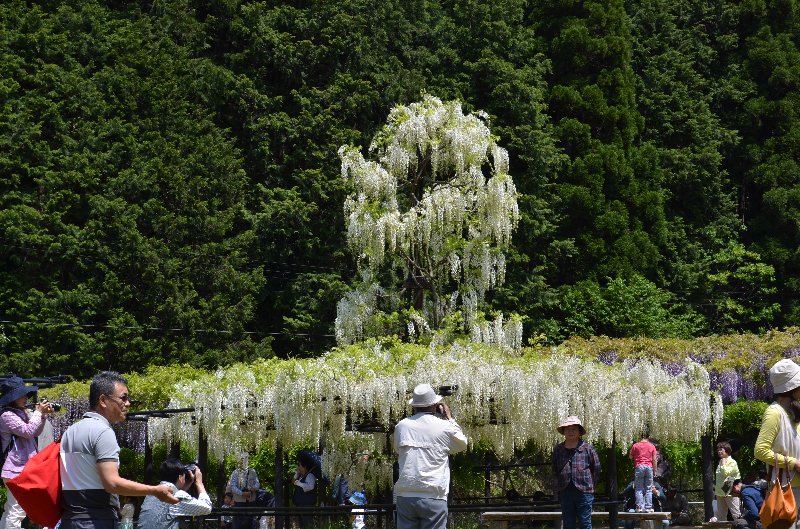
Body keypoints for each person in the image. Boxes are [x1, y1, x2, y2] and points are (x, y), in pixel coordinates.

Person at [59, 371, 178, 529]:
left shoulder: (70, 431)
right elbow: (112, 483)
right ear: (103, 400)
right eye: (123, 398)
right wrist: (155, 490)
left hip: (70, 520)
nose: (128, 403)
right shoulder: (102, 431)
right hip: (96, 521)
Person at [394, 383, 468, 529]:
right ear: (435, 405)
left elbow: (398, 450)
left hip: (405, 495)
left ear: (414, 406)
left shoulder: (401, 426)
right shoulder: (444, 426)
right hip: (433, 495)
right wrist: (449, 418)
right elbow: (462, 444)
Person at [0, 375, 56, 529]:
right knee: (16, 510)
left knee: (14, 509)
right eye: (21, 394)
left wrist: (42, 415)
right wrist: (38, 413)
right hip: (14, 469)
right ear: (12, 397)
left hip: (23, 467)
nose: (25, 397)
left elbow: (36, 432)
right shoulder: (6, 415)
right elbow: (27, 431)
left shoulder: (20, 412)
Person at [755, 359, 800, 529]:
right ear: (792, 388)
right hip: (786, 488)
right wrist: (793, 463)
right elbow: (760, 451)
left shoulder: (793, 411)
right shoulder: (774, 413)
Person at [552, 416, 601, 529]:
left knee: (585, 523)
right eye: (567, 429)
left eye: (574, 429)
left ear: (579, 432)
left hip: (584, 491)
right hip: (565, 490)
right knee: (568, 523)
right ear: (563, 432)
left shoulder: (588, 448)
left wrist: (591, 486)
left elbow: (596, 468)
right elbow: (555, 468)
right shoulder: (558, 449)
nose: (570, 432)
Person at [138, 459, 212, 529]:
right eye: (184, 475)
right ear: (180, 477)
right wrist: (199, 482)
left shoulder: (152, 494)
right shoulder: (178, 495)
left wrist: (186, 485)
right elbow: (207, 508)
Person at [629, 429, 659, 512]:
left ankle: (639, 507)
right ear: (648, 437)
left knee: (639, 488)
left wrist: (636, 455)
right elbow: (654, 460)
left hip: (639, 466)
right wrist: (655, 471)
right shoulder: (652, 446)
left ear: (640, 436)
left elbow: (630, 457)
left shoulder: (635, 445)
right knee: (648, 488)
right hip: (649, 467)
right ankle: (648, 507)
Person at [229, 454, 260, 529]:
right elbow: (233, 486)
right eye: (242, 459)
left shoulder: (252, 471)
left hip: (251, 501)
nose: (244, 461)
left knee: (250, 522)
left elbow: (258, 483)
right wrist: (242, 493)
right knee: (238, 523)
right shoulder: (235, 472)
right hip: (239, 502)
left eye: (246, 459)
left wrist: (253, 488)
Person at [714, 440, 741, 521]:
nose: (719, 452)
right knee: (721, 517)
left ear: (727, 450)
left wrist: (723, 464)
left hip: (731, 492)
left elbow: (726, 473)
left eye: (721, 449)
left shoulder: (732, 462)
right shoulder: (721, 462)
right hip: (720, 493)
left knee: (736, 515)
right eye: (718, 450)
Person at [292, 450, 320, 529]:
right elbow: (293, 481)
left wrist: (298, 483)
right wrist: (296, 474)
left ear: (304, 467)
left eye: (300, 466)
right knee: (302, 526)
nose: (298, 468)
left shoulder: (310, 476)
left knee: (308, 525)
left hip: (307, 507)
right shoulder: (301, 477)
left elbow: (310, 487)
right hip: (300, 506)